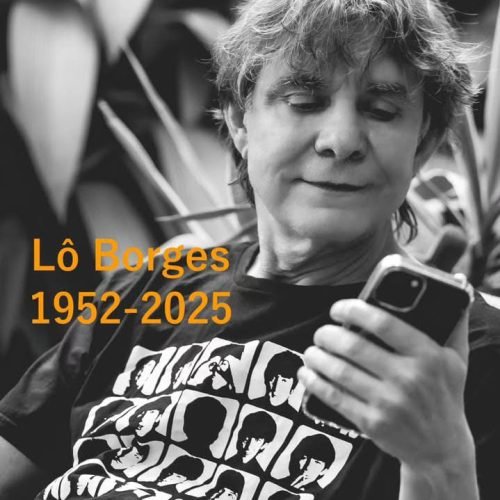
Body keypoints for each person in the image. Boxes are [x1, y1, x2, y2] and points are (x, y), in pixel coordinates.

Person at [0, 0, 499, 499]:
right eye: (304, 101)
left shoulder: (462, 357)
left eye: (382, 111)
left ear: (424, 143)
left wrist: (441, 461)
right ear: (239, 121)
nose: (342, 140)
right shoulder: (151, 289)